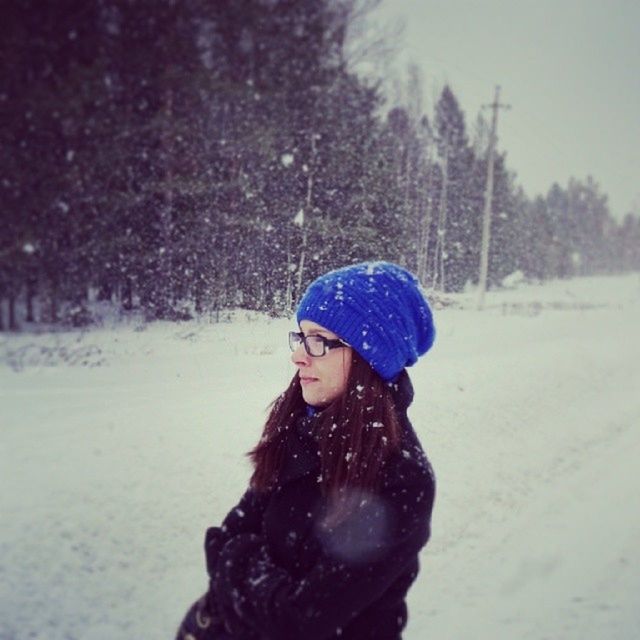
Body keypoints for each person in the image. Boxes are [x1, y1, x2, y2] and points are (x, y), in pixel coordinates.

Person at [176, 261, 436, 640]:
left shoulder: (402, 480)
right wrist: (249, 571)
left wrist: (237, 566)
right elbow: (224, 536)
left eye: (319, 340)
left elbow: (299, 621)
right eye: (300, 337)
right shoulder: (300, 425)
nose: (298, 355)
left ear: (369, 357)